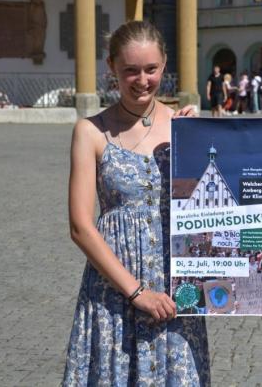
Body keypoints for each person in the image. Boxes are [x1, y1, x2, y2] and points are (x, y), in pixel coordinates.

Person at [63, 20, 210, 386]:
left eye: (151, 69)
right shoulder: (91, 131)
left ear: (164, 65)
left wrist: (202, 141)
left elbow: (218, 205)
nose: (142, 80)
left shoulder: (184, 126)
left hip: (177, 288)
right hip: (115, 288)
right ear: (112, 67)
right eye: (130, 70)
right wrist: (137, 292)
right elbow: (80, 226)